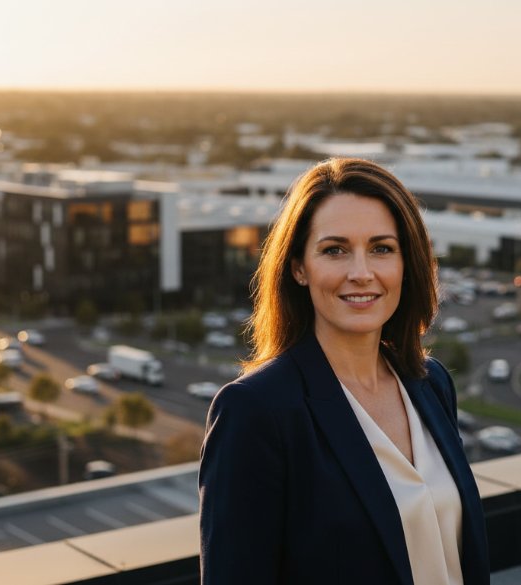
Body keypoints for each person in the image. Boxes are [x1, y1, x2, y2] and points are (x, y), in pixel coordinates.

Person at [198, 158, 490, 585]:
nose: (361, 273)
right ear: (299, 267)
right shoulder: (256, 411)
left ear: (407, 264)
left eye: (381, 249)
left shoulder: (430, 384)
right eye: (334, 250)